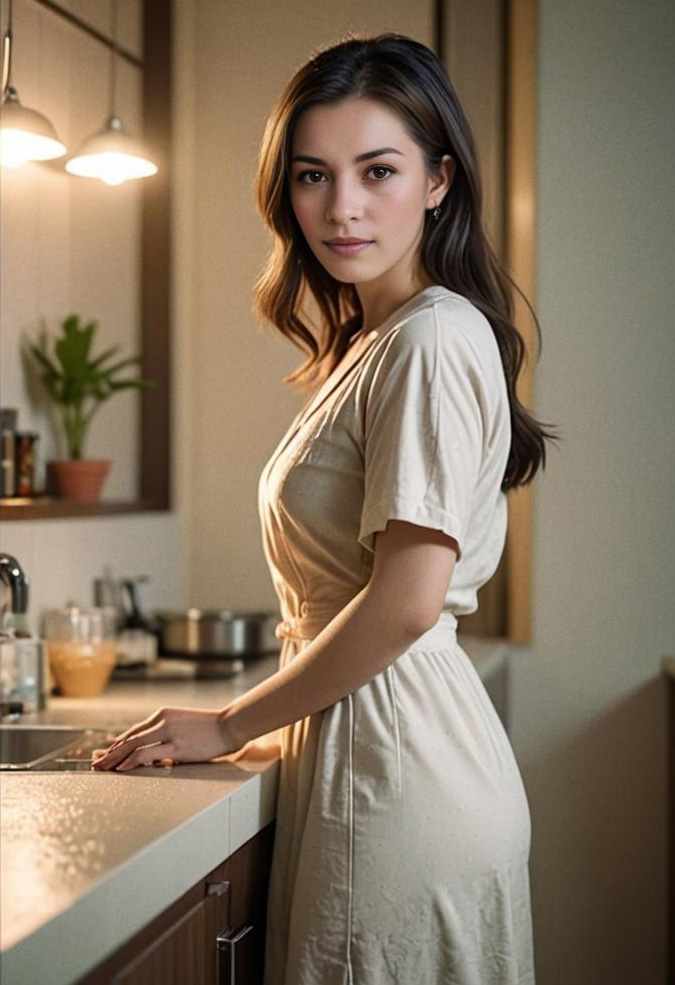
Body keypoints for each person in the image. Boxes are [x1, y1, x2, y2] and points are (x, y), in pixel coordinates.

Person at [92, 31, 559, 985]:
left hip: (392, 781)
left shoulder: (428, 338)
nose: (340, 207)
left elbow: (405, 601)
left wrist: (227, 723)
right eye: (313, 175)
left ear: (439, 179)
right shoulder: (382, 337)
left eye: (376, 170)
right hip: (382, 756)